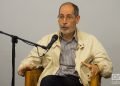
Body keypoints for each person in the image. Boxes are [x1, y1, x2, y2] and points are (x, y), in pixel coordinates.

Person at [18, 2, 113, 86]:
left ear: (77, 19)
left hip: (76, 81)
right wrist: (25, 66)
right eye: (61, 16)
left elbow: (107, 66)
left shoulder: (90, 40)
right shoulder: (48, 40)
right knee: (48, 81)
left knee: (48, 81)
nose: (64, 21)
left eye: (69, 17)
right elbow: (32, 58)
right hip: (53, 79)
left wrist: (98, 67)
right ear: (58, 19)